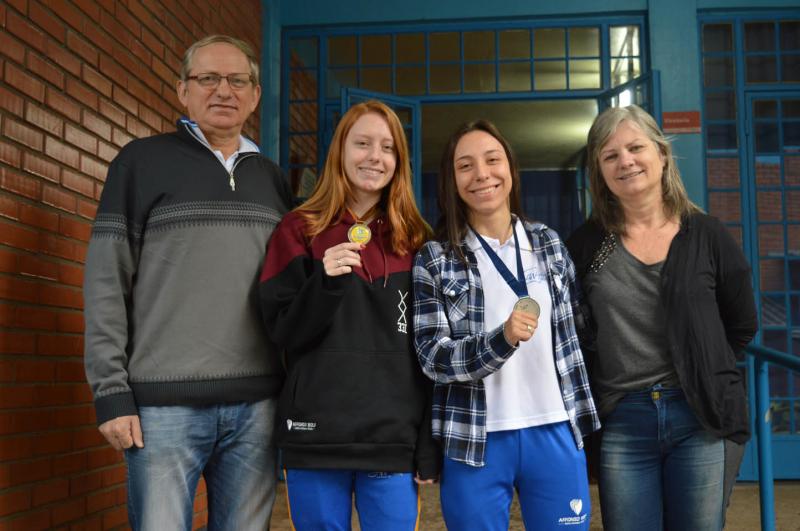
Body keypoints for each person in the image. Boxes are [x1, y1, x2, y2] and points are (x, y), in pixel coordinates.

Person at [83, 35, 293, 530]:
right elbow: (106, 280)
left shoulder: (272, 179)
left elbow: (289, 293)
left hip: (257, 406)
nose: (224, 90)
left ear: (255, 95)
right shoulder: (139, 163)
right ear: (183, 91)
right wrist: (111, 392)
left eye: (237, 80)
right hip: (162, 409)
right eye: (208, 79)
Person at [566, 104, 758, 531]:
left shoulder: (705, 234)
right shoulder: (586, 244)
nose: (626, 161)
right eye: (610, 155)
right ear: (599, 170)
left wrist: (702, 365)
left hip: (699, 415)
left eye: (635, 148)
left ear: (662, 155)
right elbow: (577, 332)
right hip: (623, 417)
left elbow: (741, 323)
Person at [258, 100, 439, 530]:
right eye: (362, 143)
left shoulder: (417, 240)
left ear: (400, 161)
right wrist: (325, 282)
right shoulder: (299, 228)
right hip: (316, 435)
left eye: (388, 147)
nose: (375, 156)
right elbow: (282, 330)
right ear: (340, 150)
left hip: (391, 439)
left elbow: (431, 351)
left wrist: (427, 440)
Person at [412, 120, 600, 531]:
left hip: (554, 426)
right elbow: (432, 357)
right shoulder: (436, 258)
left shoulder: (547, 243)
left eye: (492, 160)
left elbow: (582, 331)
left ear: (511, 170)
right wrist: (502, 339)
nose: (482, 174)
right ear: (452, 180)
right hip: (475, 437)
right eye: (465, 165)